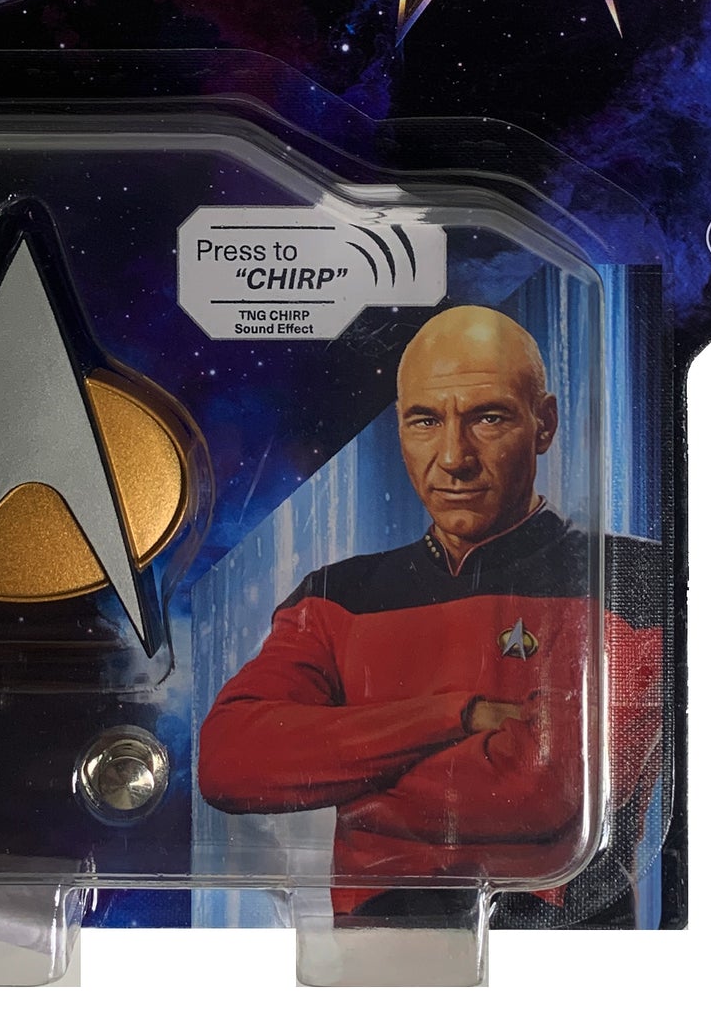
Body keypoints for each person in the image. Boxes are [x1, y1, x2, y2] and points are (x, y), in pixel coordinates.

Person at [197, 306, 662, 923]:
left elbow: (549, 793)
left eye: (488, 418)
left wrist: (338, 773)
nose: (453, 457)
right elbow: (229, 763)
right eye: (425, 420)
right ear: (399, 429)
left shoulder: (634, 582)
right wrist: (457, 716)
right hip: (370, 961)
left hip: (568, 958)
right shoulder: (335, 594)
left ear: (544, 424)